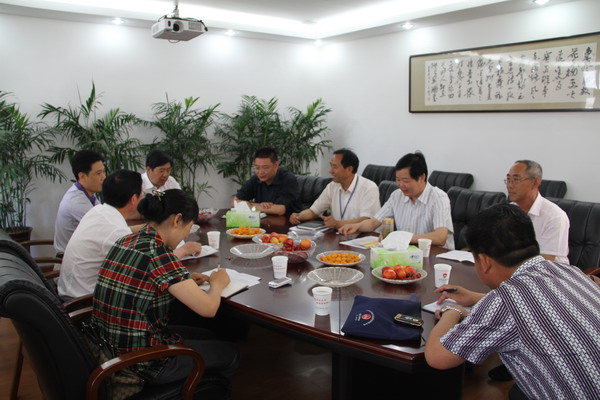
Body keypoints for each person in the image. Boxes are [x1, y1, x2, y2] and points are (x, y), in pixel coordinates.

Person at [424, 203, 600, 400]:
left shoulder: (505, 300)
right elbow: (541, 305)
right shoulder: (569, 271)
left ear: (485, 261)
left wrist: (452, 312)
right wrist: (477, 299)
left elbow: (437, 357)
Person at [91, 189, 239, 387]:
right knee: (230, 353)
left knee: (208, 336)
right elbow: (208, 309)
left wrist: (185, 280)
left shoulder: (126, 240)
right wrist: (217, 283)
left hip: (108, 347)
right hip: (140, 362)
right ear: (177, 220)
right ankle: (202, 389)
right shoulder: (159, 253)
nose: (186, 235)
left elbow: (145, 278)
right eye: (189, 228)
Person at [57, 170, 201, 299]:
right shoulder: (118, 233)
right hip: (84, 300)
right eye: (141, 194)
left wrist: (154, 226)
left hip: (71, 288)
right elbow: (152, 265)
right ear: (133, 199)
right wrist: (184, 250)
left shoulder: (99, 211)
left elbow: (123, 231)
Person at [339, 152, 454, 249]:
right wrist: (357, 226)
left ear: (422, 177)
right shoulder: (396, 196)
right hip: (406, 255)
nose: (400, 185)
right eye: (398, 180)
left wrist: (403, 238)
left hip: (436, 258)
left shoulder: (438, 198)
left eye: (405, 181)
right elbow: (374, 222)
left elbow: (440, 237)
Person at [289, 149, 380, 229]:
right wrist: (298, 216)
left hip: (363, 238)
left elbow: (366, 220)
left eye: (335, 167)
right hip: (340, 235)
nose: (330, 171)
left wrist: (337, 224)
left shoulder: (368, 188)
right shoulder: (332, 186)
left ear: (349, 169)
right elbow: (314, 211)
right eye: (331, 166)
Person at [505, 160, 569, 264]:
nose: (510, 185)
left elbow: (545, 260)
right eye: (508, 179)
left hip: (547, 271)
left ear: (535, 182)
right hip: (512, 268)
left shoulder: (555, 217)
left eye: (516, 180)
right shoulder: (508, 211)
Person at [54, 149, 105, 256]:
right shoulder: (76, 201)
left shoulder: (87, 194)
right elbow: (105, 229)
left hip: (84, 253)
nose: (103, 177)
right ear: (82, 176)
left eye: (103, 172)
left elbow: (105, 218)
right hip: (71, 260)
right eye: (98, 173)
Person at [233, 147, 301, 215]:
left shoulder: (288, 179)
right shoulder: (256, 179)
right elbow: (234, 202)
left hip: (288, 220)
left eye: (265, 168)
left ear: (276, 165)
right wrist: (260, 205)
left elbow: (280, 210)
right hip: (265, 219)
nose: (260, 172)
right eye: (257, 168)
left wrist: (250, 205)